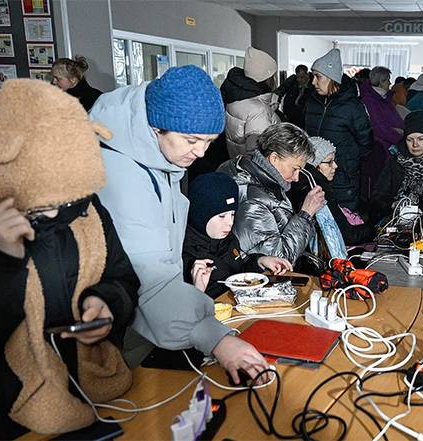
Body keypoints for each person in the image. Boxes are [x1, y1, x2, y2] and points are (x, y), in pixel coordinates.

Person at [0, 79, 138, 438]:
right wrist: (2, 261)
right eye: (42, 206)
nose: (53, 216)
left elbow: (122, 277)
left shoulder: (85, 207)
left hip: (89, 394)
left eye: (62, 204)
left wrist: (106, 304)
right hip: (2, 417)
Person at [90, 65, 270, 384]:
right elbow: (150, 276)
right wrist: (216, 338)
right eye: (191, 140)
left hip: (145, 313)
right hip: (106, 318)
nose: (200, 152)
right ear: (158, 127)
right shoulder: (124, 176)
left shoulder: (158, 153)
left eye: (209, 141)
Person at [219, 123, 325, 264]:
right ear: (274, 158)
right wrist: (305, 215)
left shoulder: (256, 172)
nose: (296, 178)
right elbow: (278, 260)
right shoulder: (253, 200)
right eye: (295, 169)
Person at [182, 172, 293, 298]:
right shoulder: (183, 255)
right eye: (222, 216)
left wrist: (260, 262)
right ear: (200, 215)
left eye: (232, 214)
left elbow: (238, 274)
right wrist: (197, 292)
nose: (229, 223)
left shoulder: (228, 239)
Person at [304, 48, 373, 210]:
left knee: (344, 216)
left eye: (318, 77)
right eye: (312, 76)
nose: (313, 82)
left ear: (332, 78)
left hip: (342, 174)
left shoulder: (352, 106)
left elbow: (366, 141)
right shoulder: (312, 101)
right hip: (314, 171)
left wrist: (347, 161)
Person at [288, 137, 374, 247]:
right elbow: (347, 235)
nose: (335, 166)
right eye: (329, 162)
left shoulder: (304, 186)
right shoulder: (319, 191)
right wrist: (373, 229)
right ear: (315, 165)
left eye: (334, 161)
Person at [371, 113, 423, 223]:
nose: (415, 145)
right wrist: (393, 206)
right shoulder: (396, 162)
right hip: (394, 220)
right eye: (410, 140)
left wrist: (419, 212)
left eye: (421, 139)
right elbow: (377, 196)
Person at [220, 47, 281, 159]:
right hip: (255, 173)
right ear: (268, 78)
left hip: (237, 164)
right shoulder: (258, 110)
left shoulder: (236, 98)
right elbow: (258, 156)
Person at [358, 66, 404, 199]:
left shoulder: (384, 98)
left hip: (388, 146)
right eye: (388, 80)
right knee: (377, 184)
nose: (390, 83)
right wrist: (399, 136)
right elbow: (378, 127)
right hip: (378, 149)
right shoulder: (369, 100)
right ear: (381, 81)